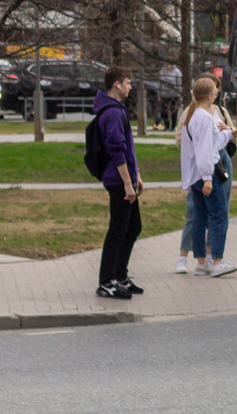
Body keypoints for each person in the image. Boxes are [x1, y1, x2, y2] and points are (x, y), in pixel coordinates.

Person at [174, 74, 237, 274]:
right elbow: (206, 151)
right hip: (207, 175)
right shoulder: (204, 118)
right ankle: (217, 262)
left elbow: (212, 142)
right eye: (214, 93)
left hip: (195, 176)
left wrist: (230, 134)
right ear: (207, 95)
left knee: (200, 217)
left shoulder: (193, 115)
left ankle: (201, 263)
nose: (216, 96)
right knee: (219, 215)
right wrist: (207, 178)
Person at [95, 66, 144, 300]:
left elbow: (128, 148)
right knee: (118, 229)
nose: (130, 86)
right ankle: (106, 282)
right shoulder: (112, 112)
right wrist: (127, 182)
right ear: (117, 84)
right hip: (118, 181)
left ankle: (120, 276)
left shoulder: (117, 109)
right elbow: (116, 150)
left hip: (126, 178)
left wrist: (137, 176)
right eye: (128, 82)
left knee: (133, 226)